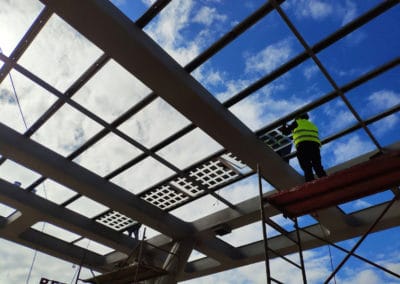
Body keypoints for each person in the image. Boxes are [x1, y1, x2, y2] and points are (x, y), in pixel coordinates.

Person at [280, 113, 326, 182]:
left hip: (302, 145)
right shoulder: (311, 124)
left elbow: (286, 132)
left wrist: (283, 125)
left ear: (297, 117)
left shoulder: (297, 122)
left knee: (307, 167)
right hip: (315, 145)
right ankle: (325, 180)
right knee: (318, 166)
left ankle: (311, 184)